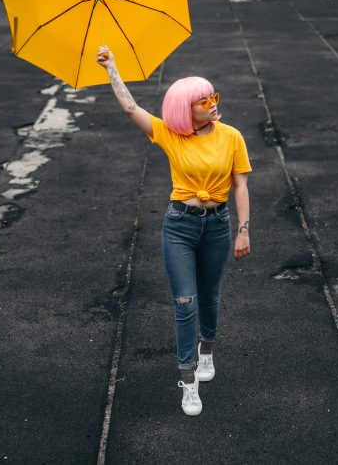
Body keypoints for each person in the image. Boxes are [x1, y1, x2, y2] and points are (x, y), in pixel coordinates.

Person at [97, 45, 252, 416]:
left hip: (217, 225)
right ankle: (188, 381)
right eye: (204, 100)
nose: (214, 103)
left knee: (209, 295)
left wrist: (243, 230)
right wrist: (111, 67)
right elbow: (131, 108)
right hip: (180, 226)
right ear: (187, 110)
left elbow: (241, 186)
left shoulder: (231, 136)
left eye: (214, 96)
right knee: (185, 302)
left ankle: (207, 352)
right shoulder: (170, 134)